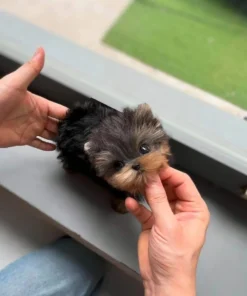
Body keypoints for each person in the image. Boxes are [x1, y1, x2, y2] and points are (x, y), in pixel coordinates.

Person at [0, 48, 210, 296]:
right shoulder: (97, 162)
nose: (138, 163)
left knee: (82, 263)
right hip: (79, 145)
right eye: (119, 165)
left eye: (144, 148)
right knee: (84, 260)